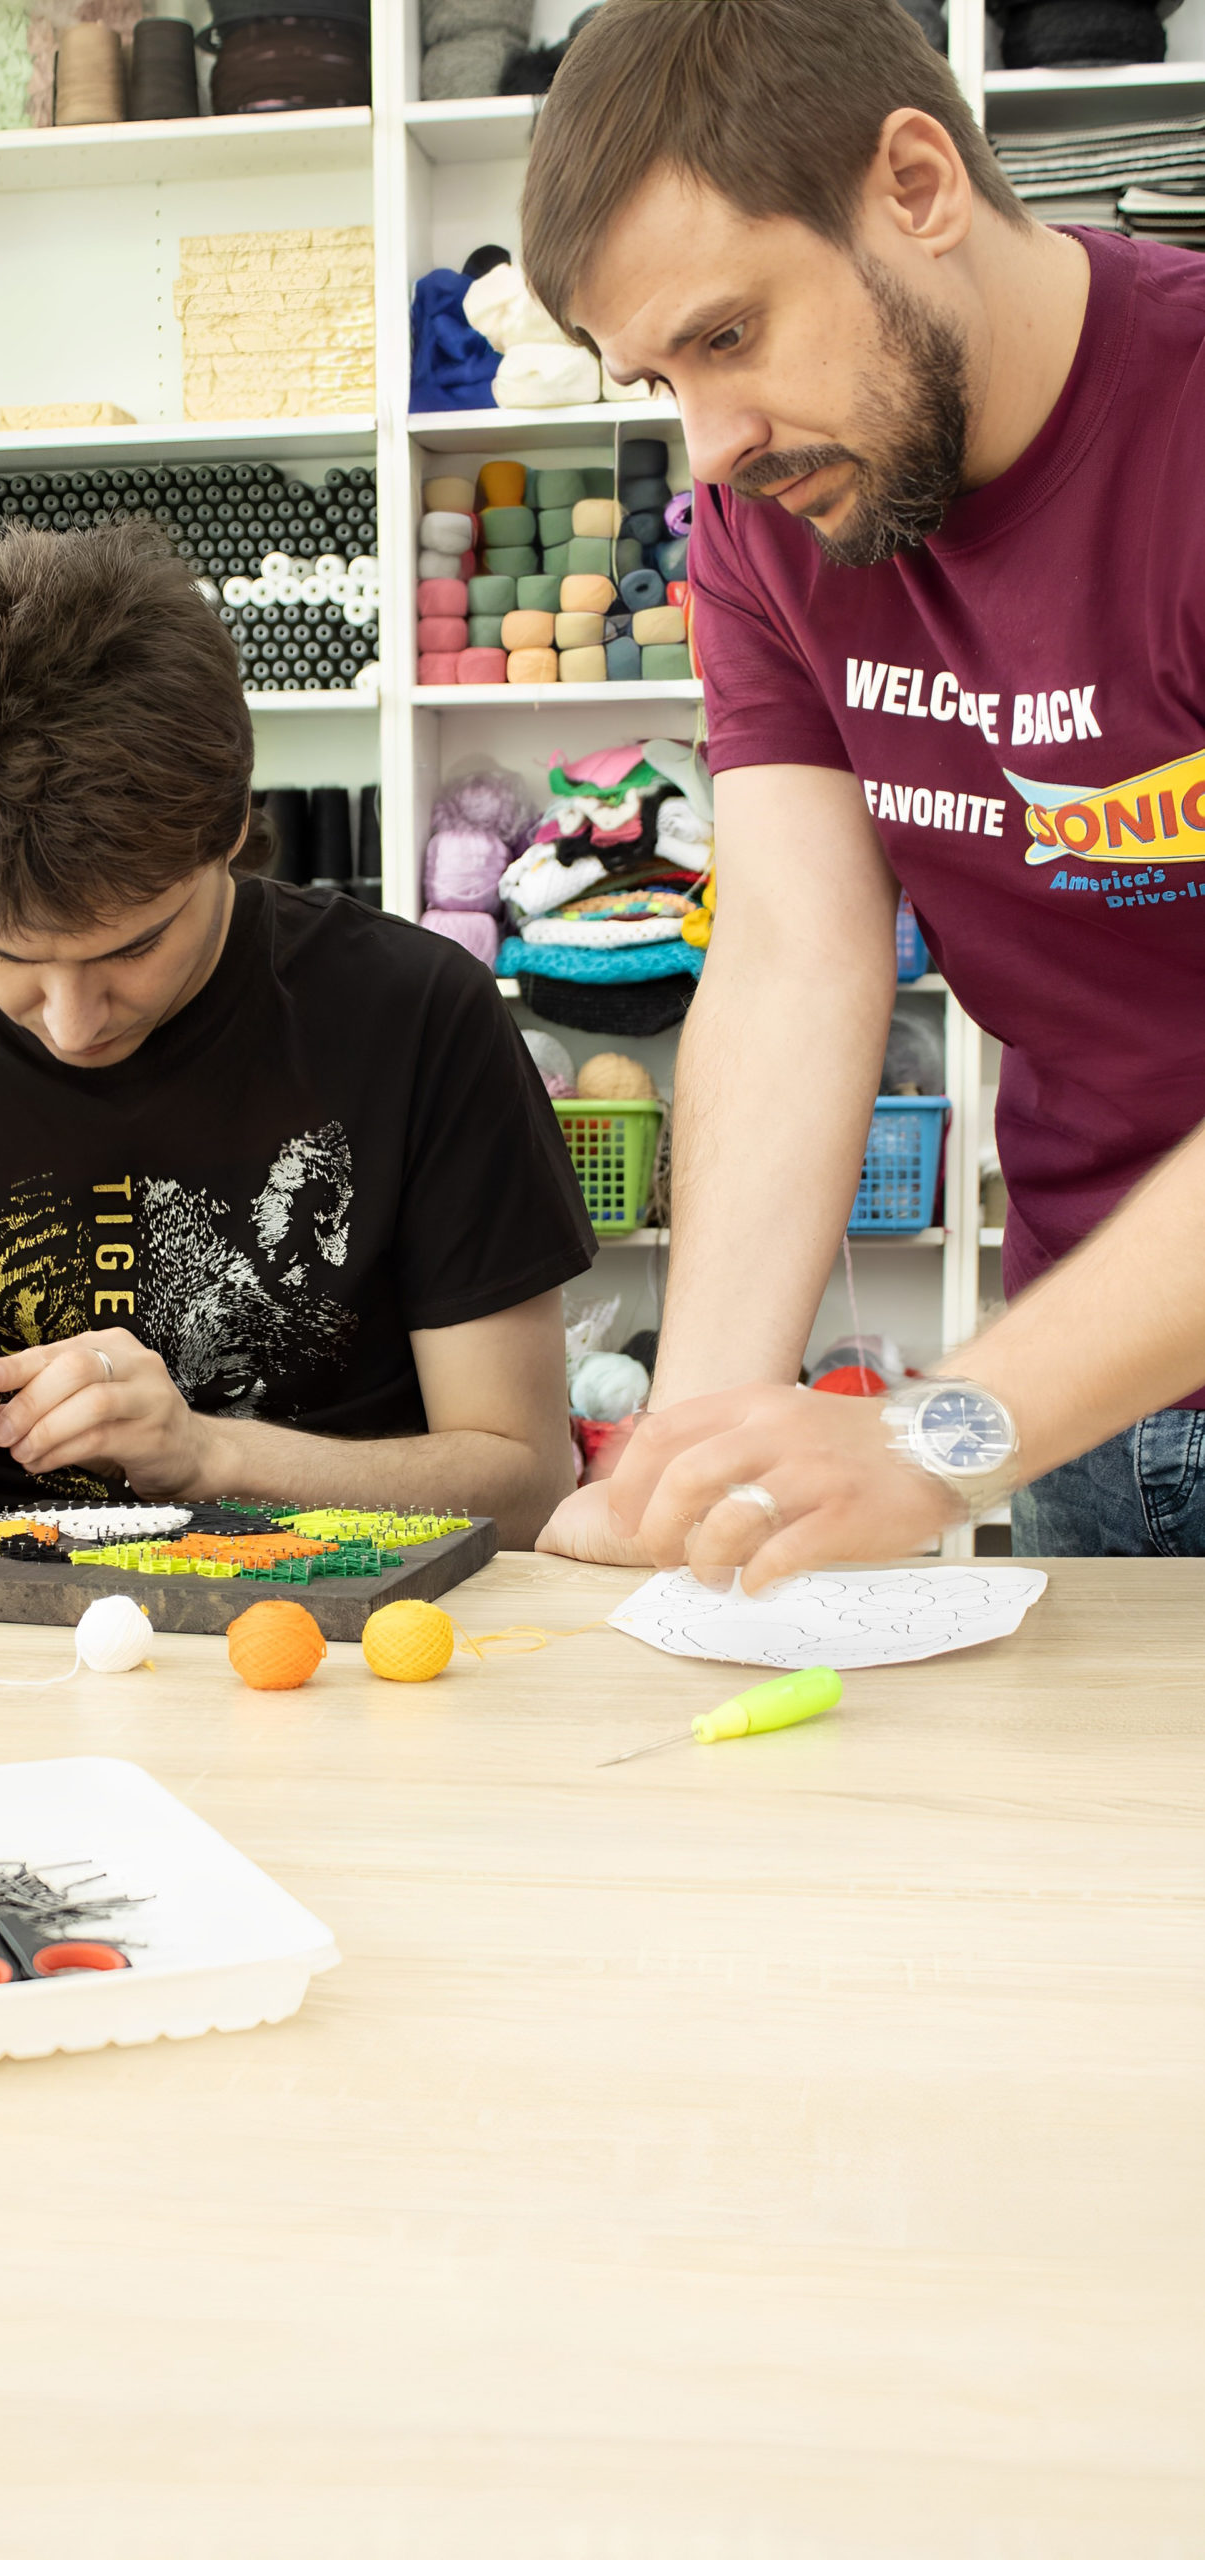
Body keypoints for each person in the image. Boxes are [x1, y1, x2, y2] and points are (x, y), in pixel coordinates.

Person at [520, 0, 1205, 1581]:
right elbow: (791, 956)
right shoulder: (767, 515)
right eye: (659, 380)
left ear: (915, 184)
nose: (710, 446)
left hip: (1023, 1394)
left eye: (727, 336)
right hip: (1090, 1378)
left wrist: (935, 1436)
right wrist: (686, 1463)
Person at [0, 520, 593, 1546]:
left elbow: (528, 1481)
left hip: (347, 1626)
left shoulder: (420, 1014)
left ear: (230, 827)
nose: (71, 1023)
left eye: (132, 948)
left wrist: (212, 1456)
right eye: (5, 955)